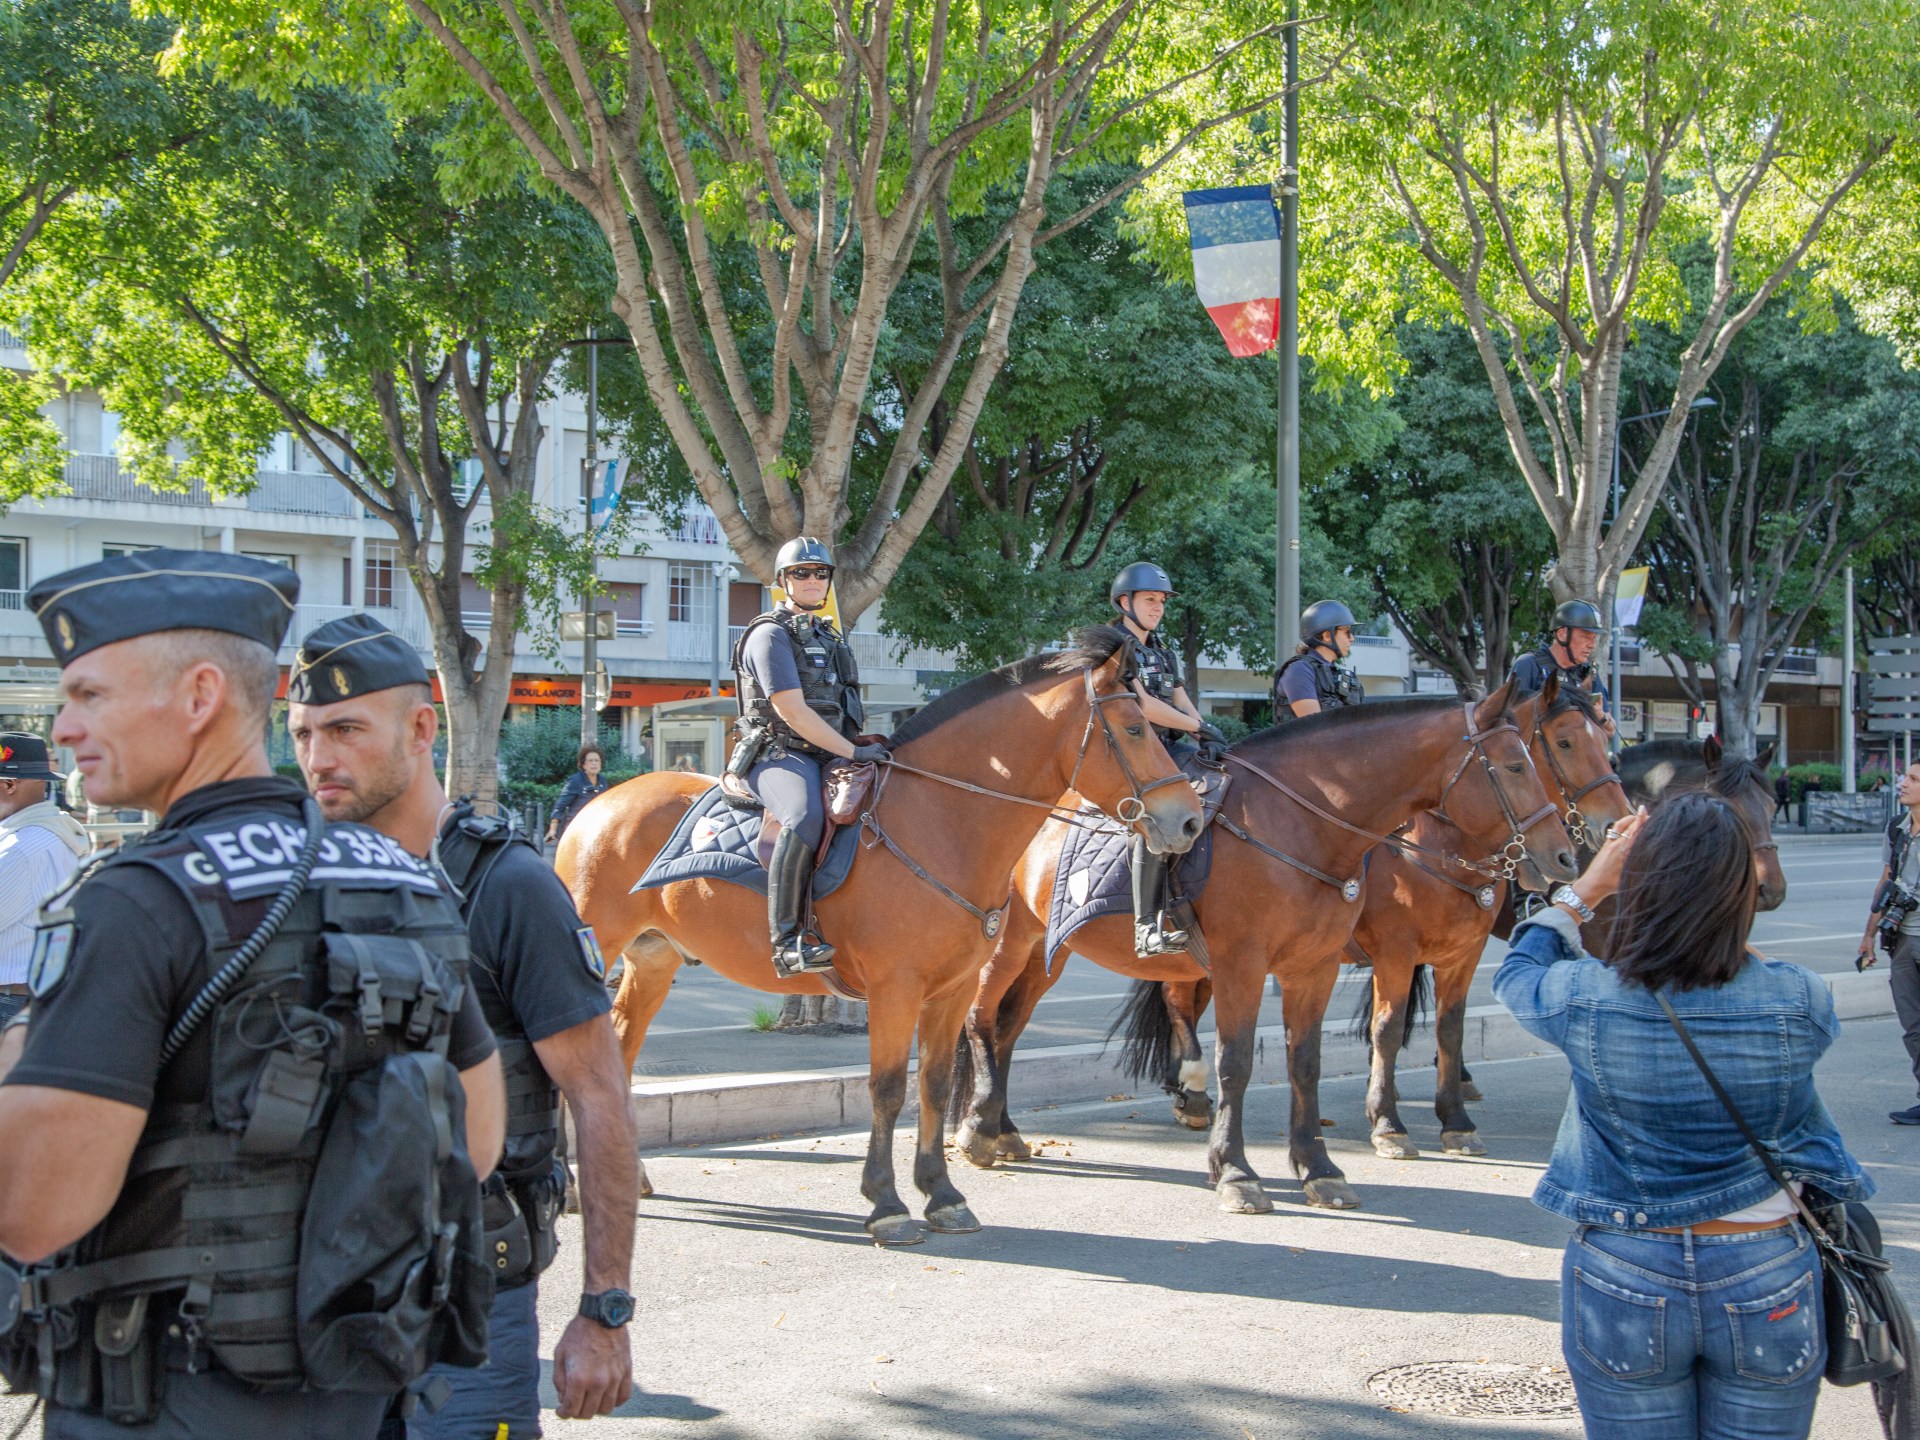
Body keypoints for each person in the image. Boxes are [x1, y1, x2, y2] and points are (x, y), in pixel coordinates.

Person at [0, 549, 506, 1438]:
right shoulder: (408, 882)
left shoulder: (138, 899)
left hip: (160, 1394)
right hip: (356, 1388)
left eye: (90, 695)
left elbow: (36, 1215)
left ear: (200, 696)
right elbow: (478, 1136)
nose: (66, 727)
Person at [289, 614, 640, 1437]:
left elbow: (599, 1095)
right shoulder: (296, 884)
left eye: (344, 728)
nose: (318, 757)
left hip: (470, 1296)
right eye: (303, 732)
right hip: (316, 1297)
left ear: (420, 729)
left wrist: (605, 1310)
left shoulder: (505, 887)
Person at [1496, 795, 1871, 1437]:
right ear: (1742, 887)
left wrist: (1590, 883)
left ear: (1641, 882)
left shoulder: (1585, 999)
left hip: (1622, 1264)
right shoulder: (1800, 998)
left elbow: (1520, 966)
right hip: (1766, 1265)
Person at [730, 537, 886, 976]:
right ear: (783, 581)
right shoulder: (769, 635)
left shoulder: (826, 635)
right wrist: (854, 752)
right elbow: (792, 711)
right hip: (779, 754)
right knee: (804, 816)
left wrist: (868, 748)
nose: (813, 580)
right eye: (802, 572)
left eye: (821, 573)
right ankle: (786, 943)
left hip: (828, 752)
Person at [1107, 562, 1224, 957]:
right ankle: (1144, 928)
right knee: (1154, 818)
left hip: (1167, 749)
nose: (1158, 608)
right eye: (1150, 600)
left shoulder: (1162, 651)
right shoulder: (1114, 647)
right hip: (1132, 752)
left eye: (1162, 601)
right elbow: (1142, 705)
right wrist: (1194, 725)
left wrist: (1203, 731)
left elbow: (1178, 700)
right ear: (1125, 602)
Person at [0, 733, 88, 1027]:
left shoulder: (20, 848)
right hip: (29, 996)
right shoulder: (48, 832)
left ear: (10, 784)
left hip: (9, 1001)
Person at [1858, 760, 1920, 1124]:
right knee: (1913, 1027)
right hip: (1901, 940)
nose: (1903, 783)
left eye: (1913, 779)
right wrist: (1868, 934)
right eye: (1905, 777)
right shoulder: (1897, 829)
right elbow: (1885, 882)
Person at [1509, 599, 1617, 735]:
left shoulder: (1588, 674)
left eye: (1594, 638)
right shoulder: (1529, 664)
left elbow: (1610, 731)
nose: (1592, 645)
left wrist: (1601, 717)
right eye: (1586, 637)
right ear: (1562, 634)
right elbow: (1509, 722)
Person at [1272, 600, 1363, 720]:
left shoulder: (1335, 673)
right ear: (1327, 636)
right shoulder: (1300, 670)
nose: (1352, 638)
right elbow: (1315, 729)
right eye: (1347, 632)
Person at [546, 743, 610, 847]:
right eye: (590, 761)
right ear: (583, 764)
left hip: (598, 829)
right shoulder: (575, 781)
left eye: (597, 760)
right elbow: (560, 807)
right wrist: (552, 830)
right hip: (577, 829)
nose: (594, 763)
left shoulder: (602, 781)